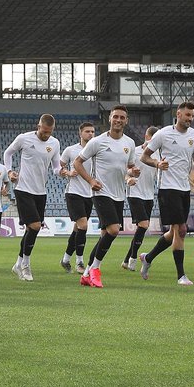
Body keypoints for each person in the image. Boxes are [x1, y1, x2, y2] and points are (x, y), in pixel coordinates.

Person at [73, 105, 139, 288]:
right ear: (110, 118)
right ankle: (95, 269)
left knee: (105, 235)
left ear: (126, 121)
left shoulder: (129, 143)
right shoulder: (98, 141)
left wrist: (134, 173)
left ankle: (86, 273)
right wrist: (90, 180)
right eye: (115, 116)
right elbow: (77, 163)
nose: (118, 120)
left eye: (122, 117)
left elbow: (129, 168)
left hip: (119, 194)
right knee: (113, 230)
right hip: (101, 191)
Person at [139, 101, 194, 286]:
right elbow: (145, 156)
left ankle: (148, 257)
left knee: (174, 232)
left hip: (185, 188)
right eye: (187, 115)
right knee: (181, 230)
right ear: (178, 114)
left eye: (192, 116)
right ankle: (181, 276)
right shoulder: (163, 134)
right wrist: (157, 164)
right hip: (168, 188)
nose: (190, 119)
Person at [4, 114, 61, 281]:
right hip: (23, 189)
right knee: (35, 226)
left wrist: (63, 172)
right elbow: (8, 153)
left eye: (49, 132)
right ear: (38, 126)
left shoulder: (55, 143)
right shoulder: (24, 138)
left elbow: (56, 167)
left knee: (31, 229)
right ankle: (26, 265)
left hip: (40, 191)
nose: (46, 135)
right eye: (44, 132)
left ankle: (18, 263)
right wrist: (9, 172)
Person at [59, 122, 95, 274]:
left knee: (77, 229)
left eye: (93, 131)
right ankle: (79, 262)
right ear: (80, 133)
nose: (91, 134)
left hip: (89, 194)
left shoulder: (96, 150)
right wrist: (67, 173)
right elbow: (58, 167)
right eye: (87, 131)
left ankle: (66, 259)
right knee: (84, 226)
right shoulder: (71, 150)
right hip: (73, 193)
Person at [122, 126, 159, 271]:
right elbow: (123, 168)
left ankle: (126, 260)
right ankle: (133, 258)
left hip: (149, 195)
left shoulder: (157, 156)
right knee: (144, 225)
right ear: (146, 136)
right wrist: (128, 178)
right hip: (134, 192)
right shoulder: (135, 152)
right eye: (153, 139)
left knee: (141, 228)